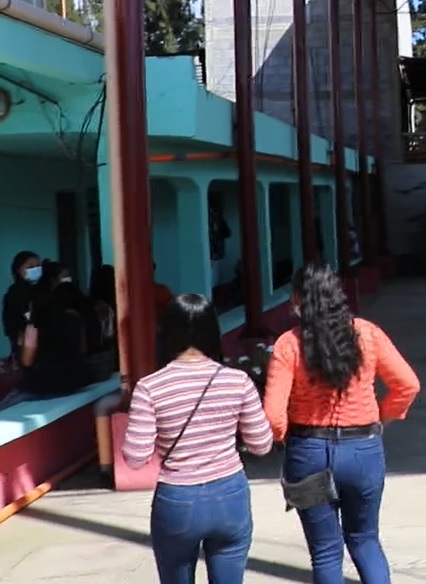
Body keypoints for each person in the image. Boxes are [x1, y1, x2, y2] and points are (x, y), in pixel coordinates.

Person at [264, 263, 421, 584]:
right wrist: (382, 416)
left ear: (297, 299)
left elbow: (273, 415)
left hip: (308, 450)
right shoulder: (368, 334)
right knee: (365, 539)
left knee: (325, 550)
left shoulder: (288, 344)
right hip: (363, 448)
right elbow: (408, 385)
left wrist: (283, 438)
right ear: (338, 295)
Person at [122, 294, 273, 583]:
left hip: (178, 500)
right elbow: (261, 444)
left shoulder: (150, 387)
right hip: (230, 494)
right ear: (212, 331)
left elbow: (135, 457)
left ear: (167, 333)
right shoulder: (238, 381)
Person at [0, 274, 98, 409]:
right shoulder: (74, 319)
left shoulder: (33, 328)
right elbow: (83, 350)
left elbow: (27, 361)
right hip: (73, 381)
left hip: (42, 387)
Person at [2, 250, 41, 370]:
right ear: (18, 270)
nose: (35, 270)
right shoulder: (17, 292)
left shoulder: (38, 290)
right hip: (25, 340)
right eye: (30, 267)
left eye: (38, 266)